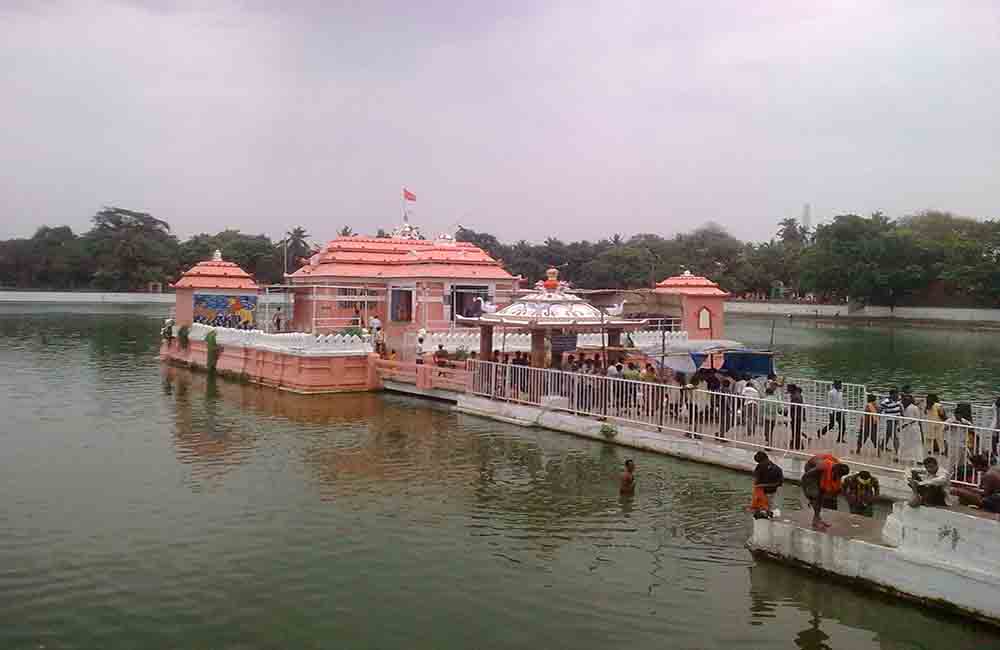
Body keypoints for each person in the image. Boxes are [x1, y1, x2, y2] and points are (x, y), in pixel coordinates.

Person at [801, 454, 850, 529]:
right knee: (816, 495)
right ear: (834, 470)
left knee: (821, 494)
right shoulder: (821, 467)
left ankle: (818, 519)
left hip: (822, 467)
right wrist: (808, 494)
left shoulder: (838, 467)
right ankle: (816, 520)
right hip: (810, 469)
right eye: (838, 475)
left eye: (841, 476)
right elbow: (805, 477)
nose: (839, 477)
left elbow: (836, 486)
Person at [751, 451, 784, 519]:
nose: (759, 464)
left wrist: (762, 485)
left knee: (761, 510)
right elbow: (780, 483)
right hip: (771, 492)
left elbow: (756, 481)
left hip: (763, 493)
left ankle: (765, 520)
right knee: (769, 508)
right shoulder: (778, 469)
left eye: (759, 462)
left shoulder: (760, 467)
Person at [899, 394, 924, 466]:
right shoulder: (907, 408)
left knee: (916, 443)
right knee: (907, 443)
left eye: (904, 401)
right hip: (909, 428)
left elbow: (915, 419)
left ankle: (919, 459)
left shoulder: (912, 408)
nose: (903, 402)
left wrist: (905, 425)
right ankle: (905, 457)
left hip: (913, 428)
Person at [879, 388, 903, 457]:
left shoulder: (898, 401)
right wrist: (878, 418)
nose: (898, 395)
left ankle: (882, 446)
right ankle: (897, 451)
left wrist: (902, 416)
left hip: (896, 420)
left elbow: (900, 409)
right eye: (896, 394)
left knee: (888, 434)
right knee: (894, 436)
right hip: (890, 420)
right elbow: (880, 409)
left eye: (898, 394)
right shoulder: (886, 401)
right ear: (892, 395)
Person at [788, 384, 805, 450]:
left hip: (796, 416)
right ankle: (796, 444)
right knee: (796, 430)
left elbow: (794, 406)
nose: (788, 390)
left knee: (796, 431)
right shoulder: (797, 395)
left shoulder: (795, 396)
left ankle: (798, 445)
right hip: (797, 415)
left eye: (789, 388)